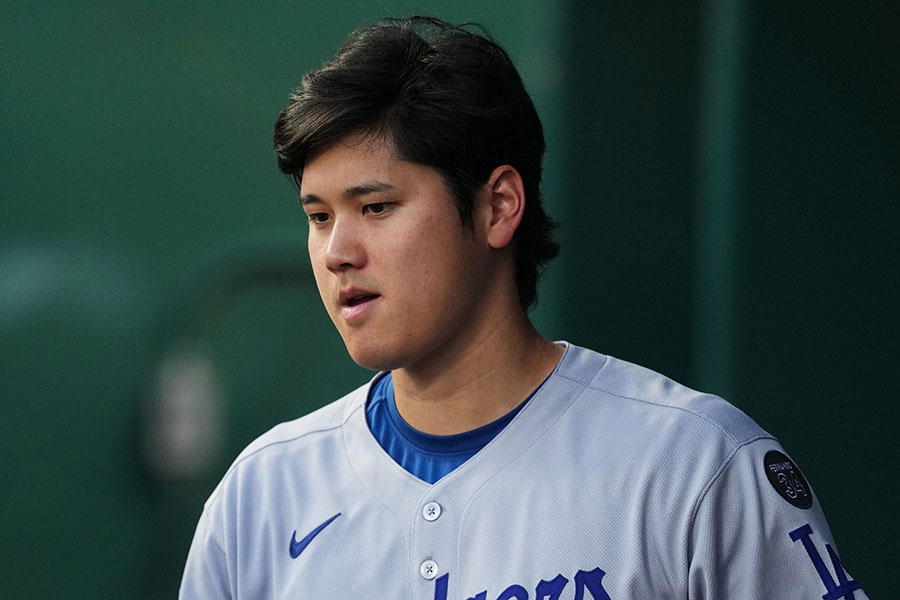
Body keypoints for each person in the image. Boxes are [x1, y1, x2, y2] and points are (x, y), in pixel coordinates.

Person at [180, 16, 867, 600]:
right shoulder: (261, 496)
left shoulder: (693, 466)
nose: (337, 252)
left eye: (377, 207)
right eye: (319, 216)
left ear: (499, 206)